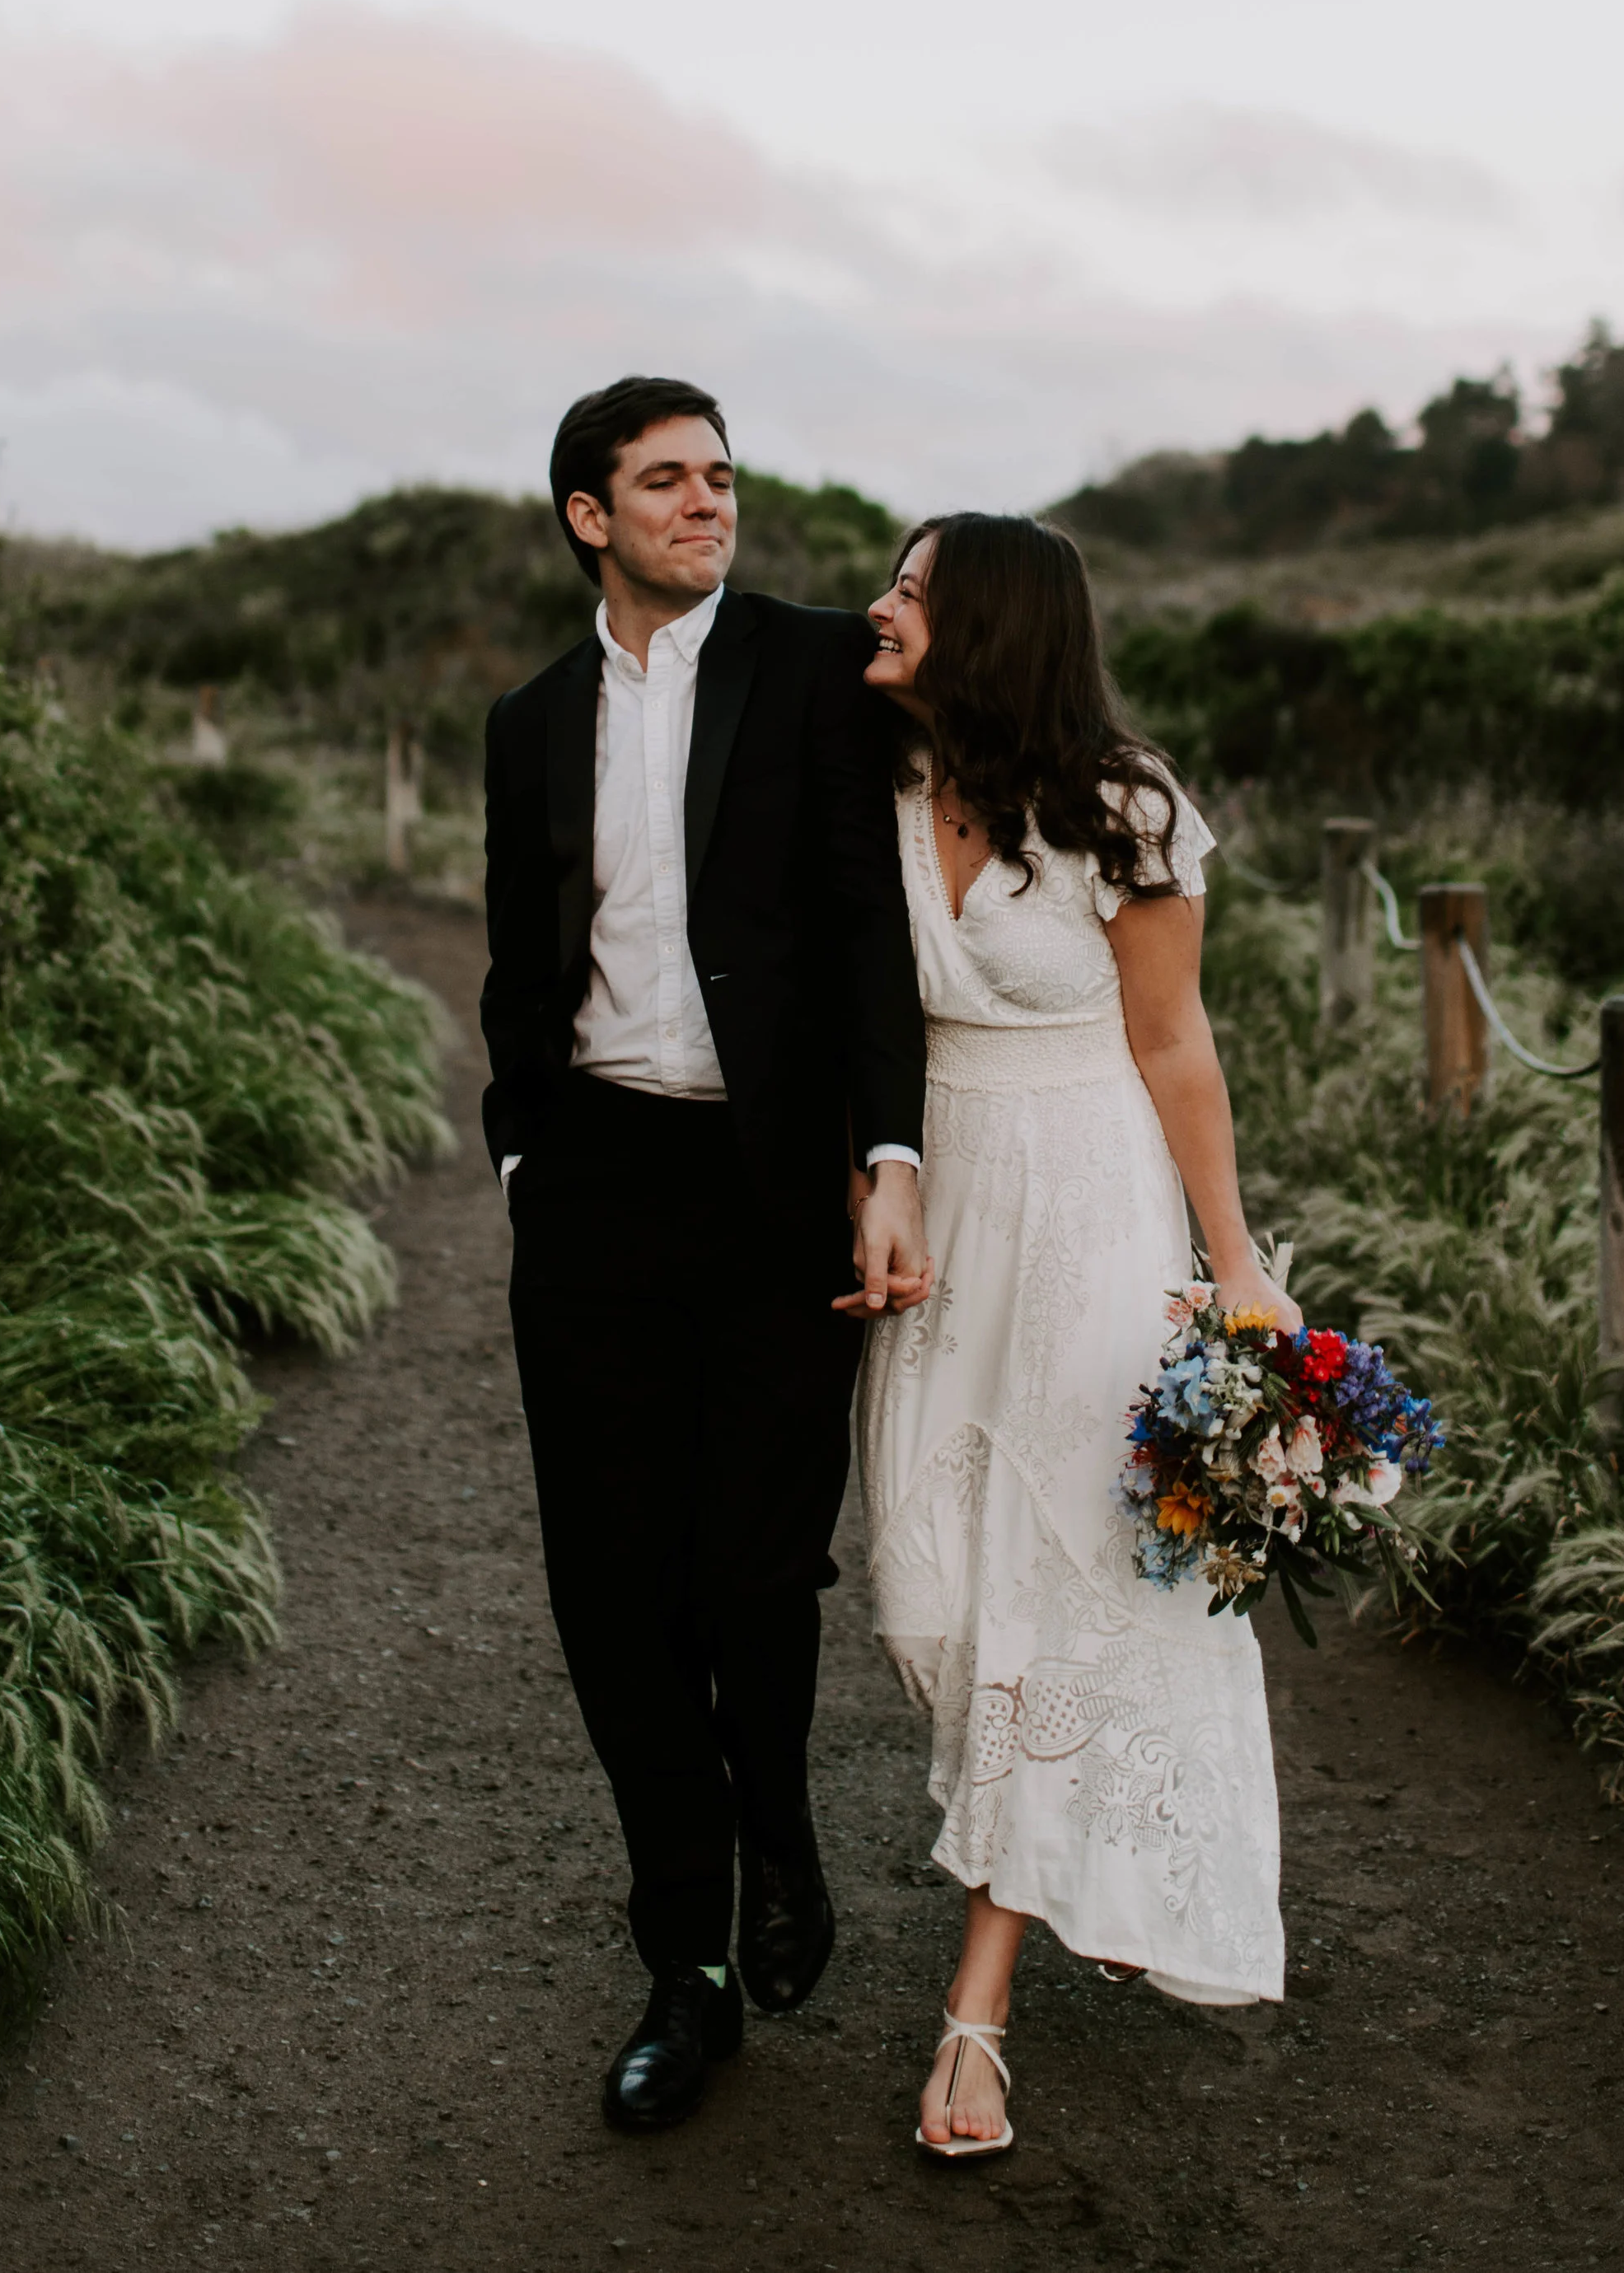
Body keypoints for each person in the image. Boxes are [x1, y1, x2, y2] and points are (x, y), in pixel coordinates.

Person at [479, 377, 930, 2135]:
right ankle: (693, 1961)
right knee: (611, 1587)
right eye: (663, 480)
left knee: (751, 1565)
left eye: (719, 476)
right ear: (588, 514)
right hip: (594, 1177)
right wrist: (522, 1152)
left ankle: (779, 1833)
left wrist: (885, 1152)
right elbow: (525, 962)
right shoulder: (526, 721)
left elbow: (872, 931)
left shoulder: (814, 668)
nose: (704, 502)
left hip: (769, 1189)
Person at [855, 512, 1297, 2159]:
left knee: (1053, 1586)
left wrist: (1233, 1265)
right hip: (941, 1208)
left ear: (989, 625)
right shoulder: (881, 788)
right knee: (924, 1592)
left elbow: (1173, 1042)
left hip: (1092, 1213)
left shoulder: (1125, 808)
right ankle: (1056, 1840)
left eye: (910, 588)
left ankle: (977, 2011)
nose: (880, 606)